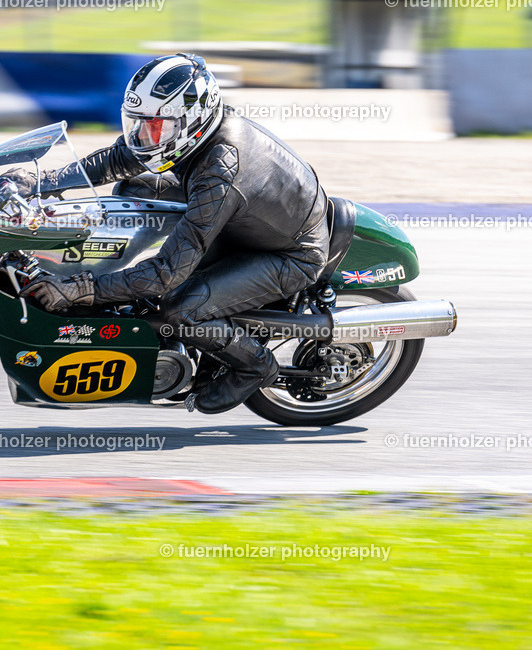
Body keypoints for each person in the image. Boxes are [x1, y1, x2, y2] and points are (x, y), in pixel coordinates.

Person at [25, 53, 330, 414]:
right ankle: (125, 283)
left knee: (182, 307)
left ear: (191, 120)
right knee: (131, 190)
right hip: (246, 216)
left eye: (155, 126)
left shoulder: (219, 169)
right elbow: (115, 160)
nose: (144, 136)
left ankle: (255, 366)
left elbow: (167, 274)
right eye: (138, 124)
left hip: (290, 253)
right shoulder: (194, 136)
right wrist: (41, 182)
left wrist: (85, 288)